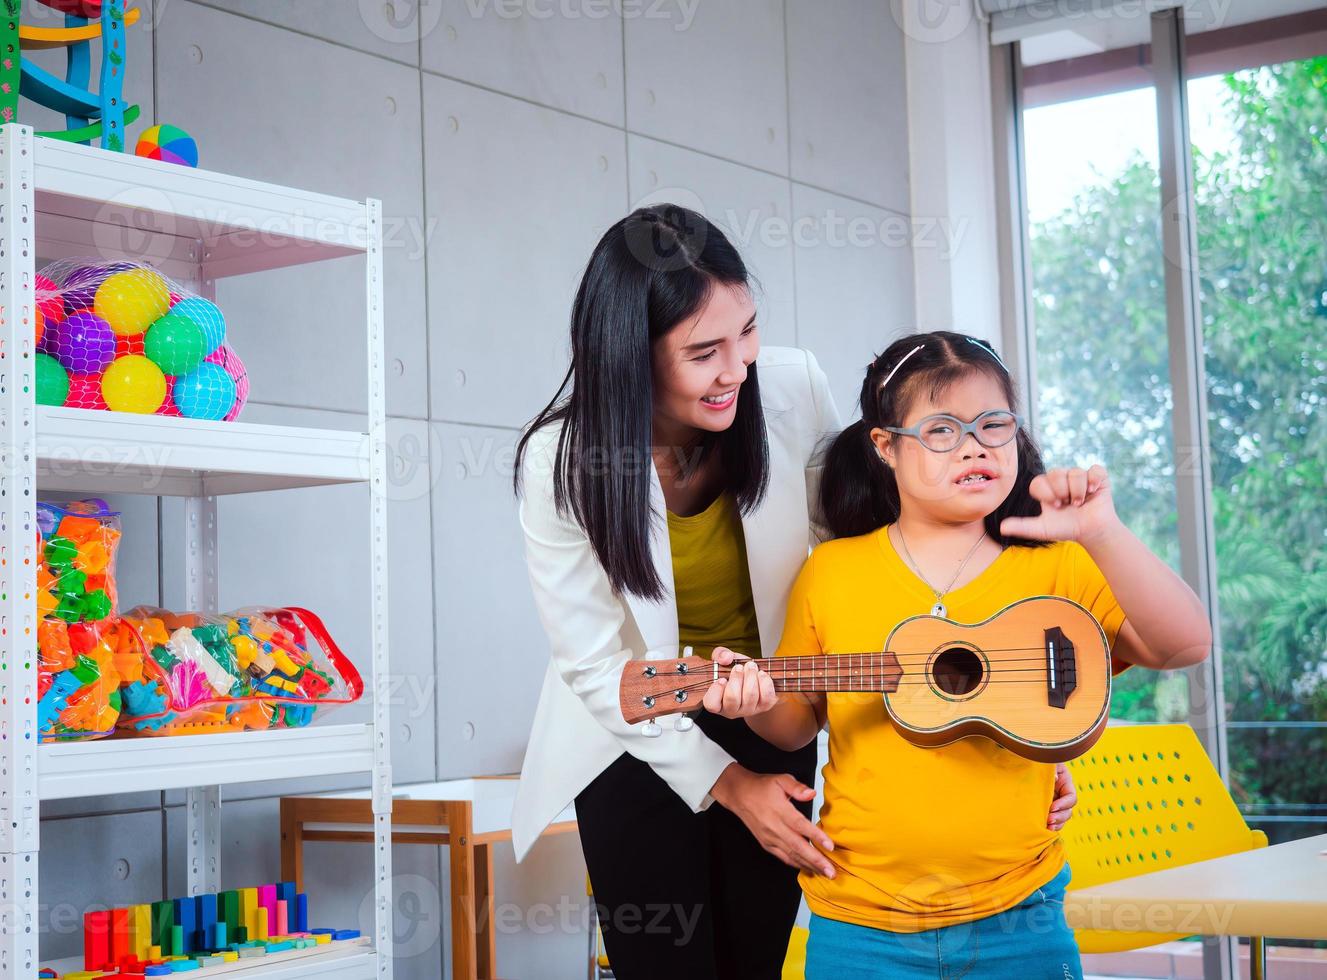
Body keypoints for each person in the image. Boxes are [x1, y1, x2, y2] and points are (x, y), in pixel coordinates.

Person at [511, 208, 1077, 979]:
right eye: (702, 352)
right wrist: (729, 786)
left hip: (776, 715)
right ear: (629, 357)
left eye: (745, 331)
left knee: (755, 962)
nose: (736, 368)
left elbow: (876, 549)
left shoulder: (786, 385)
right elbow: (592, 665)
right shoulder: (562, 459)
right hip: (633, 739)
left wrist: (1008, 721)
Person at [715, 330, 1210, 979]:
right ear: (885, 447)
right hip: (860, 920)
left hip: (1019, 914)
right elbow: (795, 721)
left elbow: (1185, 644)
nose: (973, 445)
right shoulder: (833, 571)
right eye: (941, 430)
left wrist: (1102, 531)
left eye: (992, 424)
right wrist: (755, 702)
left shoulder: (1055, 563)